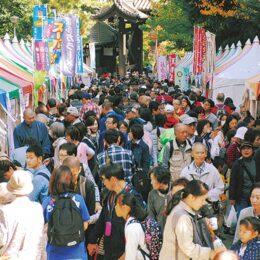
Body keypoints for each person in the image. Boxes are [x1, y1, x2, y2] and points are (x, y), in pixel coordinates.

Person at [87, 164, 144, 260]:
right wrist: (93, 240)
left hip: (124, 250)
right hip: (109, 248)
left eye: (104, 179)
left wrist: (127, 253)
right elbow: (102, 218)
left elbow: (140, 227)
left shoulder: (133, 197)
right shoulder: (110, 194)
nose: (103, 183)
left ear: (113, 179)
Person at [160, 180, 225, 260]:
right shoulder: (182, 217)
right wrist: (210, 253)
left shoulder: (185, 211)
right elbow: (188, 248)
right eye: (202, 199)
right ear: (191, 197)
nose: (204, 203)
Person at [42, 165, 90, 260]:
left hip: (55, 253)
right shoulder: (78, 199)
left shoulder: (47, 202)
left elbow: (42, 227)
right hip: (77, 252)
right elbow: (85, 224)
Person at [0, 170, 44, 259]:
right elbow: (40, 238)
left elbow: (1, 240)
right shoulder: (37, 208)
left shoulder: (5, 211)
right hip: (32, 257)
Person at [115, 192, 149, 260]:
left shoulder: (131, 228)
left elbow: (130, 257)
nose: (115, 207)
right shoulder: (133, 222)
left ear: (124, 207)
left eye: (116, 205)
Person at [229, 142, 260, 217]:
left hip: (254, 197)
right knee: (241, 217)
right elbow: (233, 181)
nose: (246, 151)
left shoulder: (256, 162)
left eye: (248, 148)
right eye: (244, 149)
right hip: (241, 197)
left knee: (254, 217)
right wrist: (232, 197)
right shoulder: (237, 164)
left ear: (252, 150)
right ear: (240, 150)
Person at [147, 166, 171, 233]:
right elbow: (150, 216)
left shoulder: (174, 190)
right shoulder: (152, 194)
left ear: (161, 179)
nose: (151, 182)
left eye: (153, 179)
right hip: (160, 233)